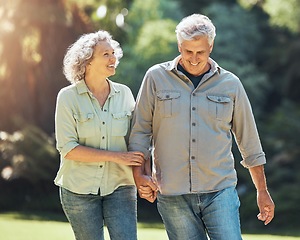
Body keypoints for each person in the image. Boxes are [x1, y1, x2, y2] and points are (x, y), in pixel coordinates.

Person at [129, 14, 275, 240]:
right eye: (188, 51)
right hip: (173, 193)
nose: (194, 59)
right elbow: (140, 131)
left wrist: (262, 191)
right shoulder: (155, 78)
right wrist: (139, 175)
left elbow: (249, 141)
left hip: (220, 190)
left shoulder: (231, 84)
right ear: (179, 46)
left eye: (201, 52)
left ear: (211, 46)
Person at [54, 30, 144, 240]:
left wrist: (145, 173)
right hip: (78, 190)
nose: (113, 58)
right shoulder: (68, 97)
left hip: (120, 186)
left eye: (114, 53)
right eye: (106, 54)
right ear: (87, 61)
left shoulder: (125, 94)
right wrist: (117, 157)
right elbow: (68, 149)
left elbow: (138, 139)